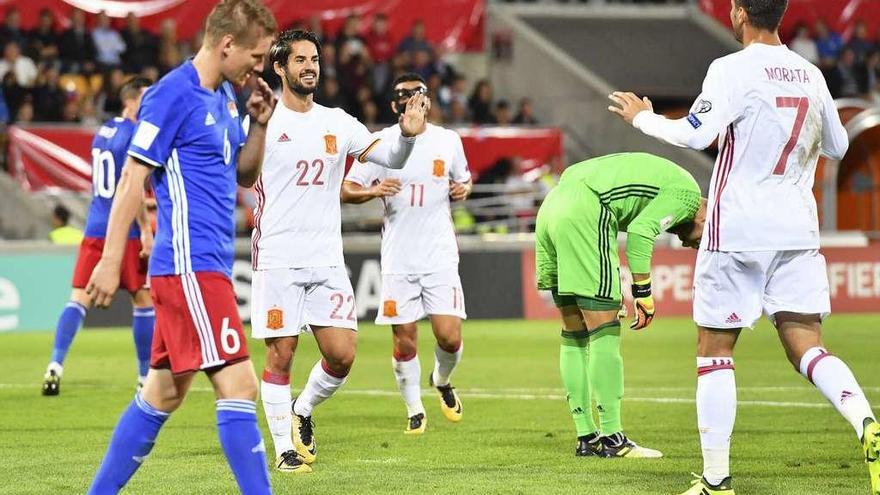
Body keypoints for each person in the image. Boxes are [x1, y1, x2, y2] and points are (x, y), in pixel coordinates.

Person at [608, 1, 879, 493]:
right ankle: (865, 421)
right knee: (807, 345)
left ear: (737, 12)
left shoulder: (730, 69)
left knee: (715, 352)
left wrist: (643, 119)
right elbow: (838, 146)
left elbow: (696, 133)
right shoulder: (810, 74)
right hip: (797, 231)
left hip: (737, 228)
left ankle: (716, 481)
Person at [83, 1, 277, 493]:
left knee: (163, 394)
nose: (259, 67)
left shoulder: (228, 99)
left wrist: (258, 124)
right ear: (226, 44)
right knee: (240, 386)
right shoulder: (172, 94)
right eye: (255, 56)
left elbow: (243, 174)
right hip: (188, 266)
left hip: (204, 264)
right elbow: (132, 177)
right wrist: (109, 261)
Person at [251, 30, 427, 472]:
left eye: (314, 59)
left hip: (326, 259)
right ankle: (284, 450)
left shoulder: (337, 121)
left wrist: (406, 137)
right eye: (300, 60)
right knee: (281, 355)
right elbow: (239, 173)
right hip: (278, 255)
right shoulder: (263, 121)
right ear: (280, 67)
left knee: (343, 354)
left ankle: (302, 409)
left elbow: (390, 155)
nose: (310, 66)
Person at [535, 152, 704, 460]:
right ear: (709, 217)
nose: (692, 246)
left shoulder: (669, 181)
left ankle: (586, 437)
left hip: (552, 205)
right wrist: (643, 292)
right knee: (604, 329)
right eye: (702, 241)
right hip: (586, 208)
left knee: (574, 330)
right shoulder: (688, 195)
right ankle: (613, 438)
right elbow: (641, 231)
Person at [342, 73, 471, 435]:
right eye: (403, 95)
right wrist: (375, 190)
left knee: (449, 336)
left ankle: (442, 380)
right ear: (394, 105)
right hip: (399, 257)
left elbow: (465, 178)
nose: (411, 99)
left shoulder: (448, 140)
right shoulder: (381, 143)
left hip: (440, 254)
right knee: (404, 338)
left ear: (428, 100)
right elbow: (348, 187)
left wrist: (464, 188)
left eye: (417, 93)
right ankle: (414, 407)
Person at [42, 77, 153, 397]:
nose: (148, 106)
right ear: (130, 101)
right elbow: (129, 186)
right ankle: (145, 376)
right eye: (144, 99)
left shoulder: (102, 133)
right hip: (125, 230)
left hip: (94, 226)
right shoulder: (136, 134)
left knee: (78, 299)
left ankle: (55, 364)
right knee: (142, 300)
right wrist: (146, 228)